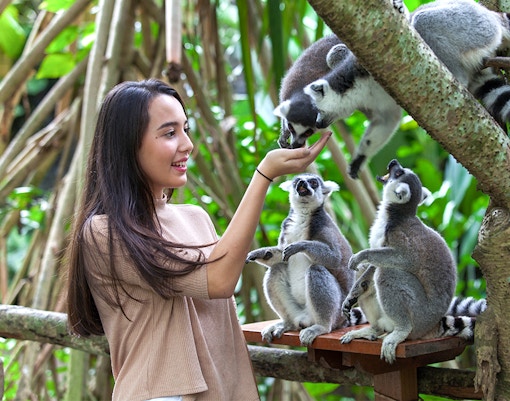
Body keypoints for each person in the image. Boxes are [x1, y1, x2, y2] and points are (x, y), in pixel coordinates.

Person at [65, 78, 331, 401]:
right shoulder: (103, 232)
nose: (187, 144)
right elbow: (219, 279)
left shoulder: (195, 218)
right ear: (128, 144)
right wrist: (264, 175)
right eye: (169, 133)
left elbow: (221, 314)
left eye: (186, 129)